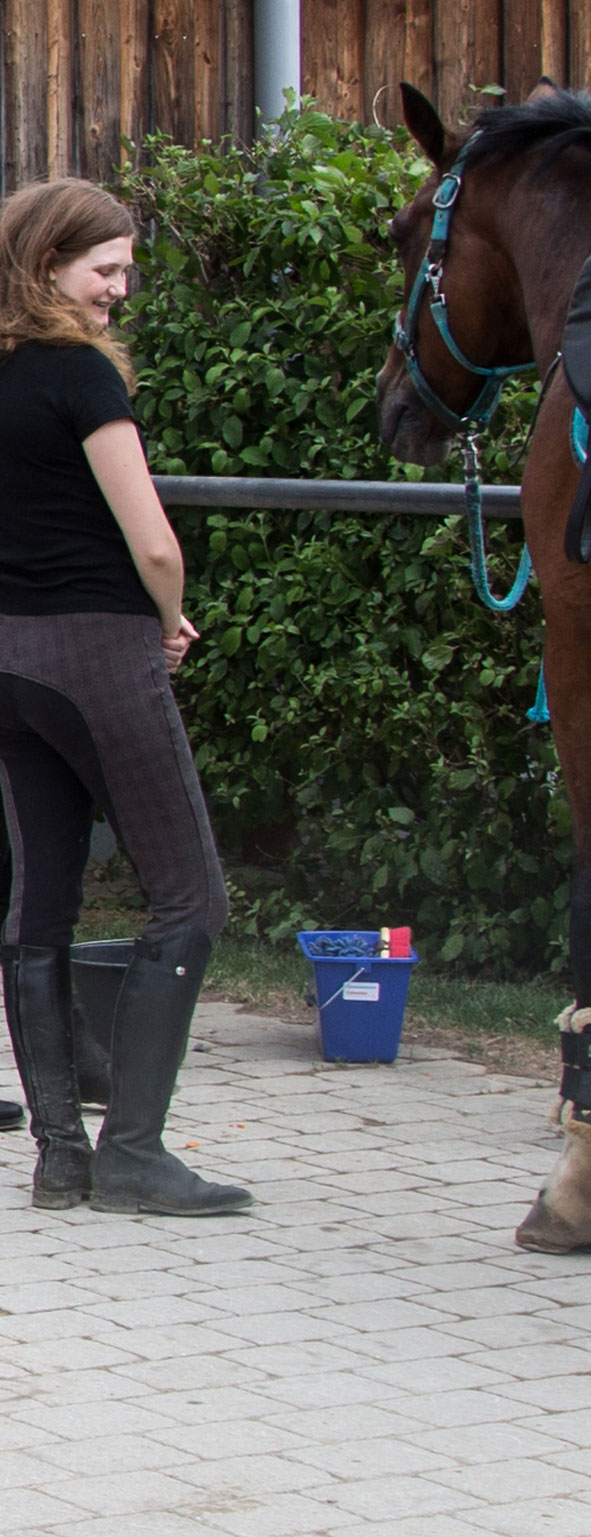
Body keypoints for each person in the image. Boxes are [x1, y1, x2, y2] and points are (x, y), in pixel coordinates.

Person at [0, 178, 248, 1215]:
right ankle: (137, 1150)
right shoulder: (81, 379)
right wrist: (170, 613)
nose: (118, 289)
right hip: (99, 650)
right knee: (191, 896)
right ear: (46, 262)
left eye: (126, 269)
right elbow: (150, 535)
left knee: (38, 903)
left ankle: (62, 1153)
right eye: (105, 267)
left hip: (5, 663)